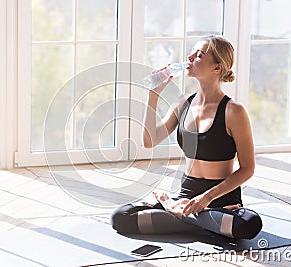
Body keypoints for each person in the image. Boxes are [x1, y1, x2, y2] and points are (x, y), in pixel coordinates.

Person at [111, 35, 262, 239]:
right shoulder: (183, 102)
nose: (190, 57)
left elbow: (247, 169)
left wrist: (206, 199)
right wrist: (153, 96)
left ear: (217, 68)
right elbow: (149, 141)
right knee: (121, 216)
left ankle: (179, 214)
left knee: (249, 224)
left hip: (221, 198)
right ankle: (203, 221)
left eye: (199, 55)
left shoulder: (234, 111)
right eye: (192, 52)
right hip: (186, 195)